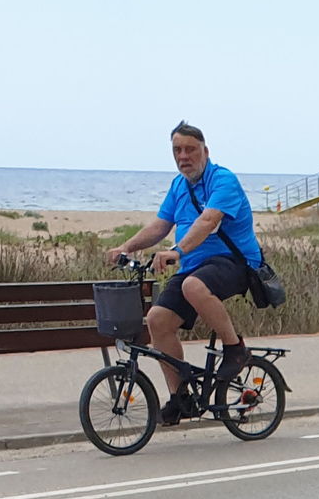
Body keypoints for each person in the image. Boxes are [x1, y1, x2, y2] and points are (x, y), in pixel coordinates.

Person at [108, 121, 264, 424]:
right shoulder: (179, 185)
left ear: (205, 151)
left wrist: (176, 252)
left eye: (190, 149)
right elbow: (159, 226)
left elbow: (207, 222)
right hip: (195, 265)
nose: (184, 156)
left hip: (235, 262)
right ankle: (180, 397)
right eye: (177, 150)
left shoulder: (223, 181)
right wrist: (125, 247)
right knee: (157, 320)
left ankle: (235, 348)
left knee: (194, 286)